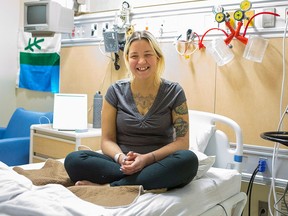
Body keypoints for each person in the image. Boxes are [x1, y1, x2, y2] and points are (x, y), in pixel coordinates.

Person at [64, 30, 198, 190]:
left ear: (158, 57)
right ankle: (144, 181)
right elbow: (107, 140)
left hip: (158, 163)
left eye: (148, 54)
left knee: (188, 160)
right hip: (121, 164)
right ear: (127, 59)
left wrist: (146, 160)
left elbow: (182, 143)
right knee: (74, 159)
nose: (141, 61)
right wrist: (121, 159)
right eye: (134, 56)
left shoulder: (174, 92)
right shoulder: (115, 91)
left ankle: (110, 187)